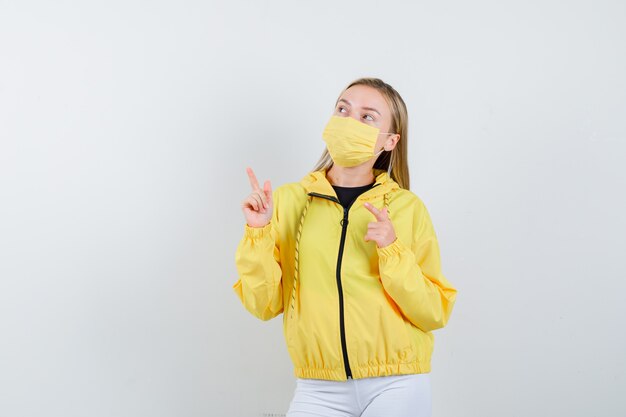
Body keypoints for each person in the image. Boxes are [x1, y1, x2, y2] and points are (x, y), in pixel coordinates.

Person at [233, 77, 457, 417]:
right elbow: (263, 304)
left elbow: (433, 311)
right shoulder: (288, 202)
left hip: (396, 381)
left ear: (390, 140)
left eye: (368, 117)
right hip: (317, 386)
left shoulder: (407, 208)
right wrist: (258, 231)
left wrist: (392, 250)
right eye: (343, 109)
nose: (350, 121)